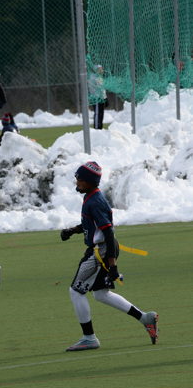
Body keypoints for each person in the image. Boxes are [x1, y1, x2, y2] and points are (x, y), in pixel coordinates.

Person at [60, 161, 158, 351]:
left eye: (80, 179)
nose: (77, 181)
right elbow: (92, 225)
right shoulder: (91, 197)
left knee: (76, 292)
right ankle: (145, 318)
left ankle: (89, 338)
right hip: (103, 249)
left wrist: (113, 266)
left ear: (89, 181)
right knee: (100, 294)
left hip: (100, 252)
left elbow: (108, 232)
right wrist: (72, 230)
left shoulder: (95, 201)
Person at [88, 64, 107, 130]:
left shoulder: (99, 77)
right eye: (100, 69)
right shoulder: (93, 77)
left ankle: (100, 127)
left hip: (101, 98)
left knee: (101, 113)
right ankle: (96, 127)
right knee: (97, 113)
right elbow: (99, 88)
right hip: (96, 98)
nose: (102, 70)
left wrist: (105, 98)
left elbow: (102, 89)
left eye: (102, 69)